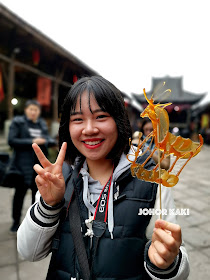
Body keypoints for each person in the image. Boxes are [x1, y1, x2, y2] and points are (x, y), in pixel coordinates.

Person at [17, 76, 189, 280]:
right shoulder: (58, 176)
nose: (89, 129)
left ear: (119, 120)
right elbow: (28, 252)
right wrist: (49, 204)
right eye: (78, 119)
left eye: (100, 117)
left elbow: (178, 264)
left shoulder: (152, 179)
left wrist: (168, 262)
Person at [8, 100, 56, 232]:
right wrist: (32, 141)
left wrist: (49, 141)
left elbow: (47, 138)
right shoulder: (18, 122)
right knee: (19, 195)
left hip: (38, 167)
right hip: (21, 166)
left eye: (36, 110)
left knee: (37, 196)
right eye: (31, 109)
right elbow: (11, 140)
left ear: (39, 112)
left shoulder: (41, 124)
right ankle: (15, 222)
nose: (33, 112)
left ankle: (32, 223)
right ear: (26, 110)